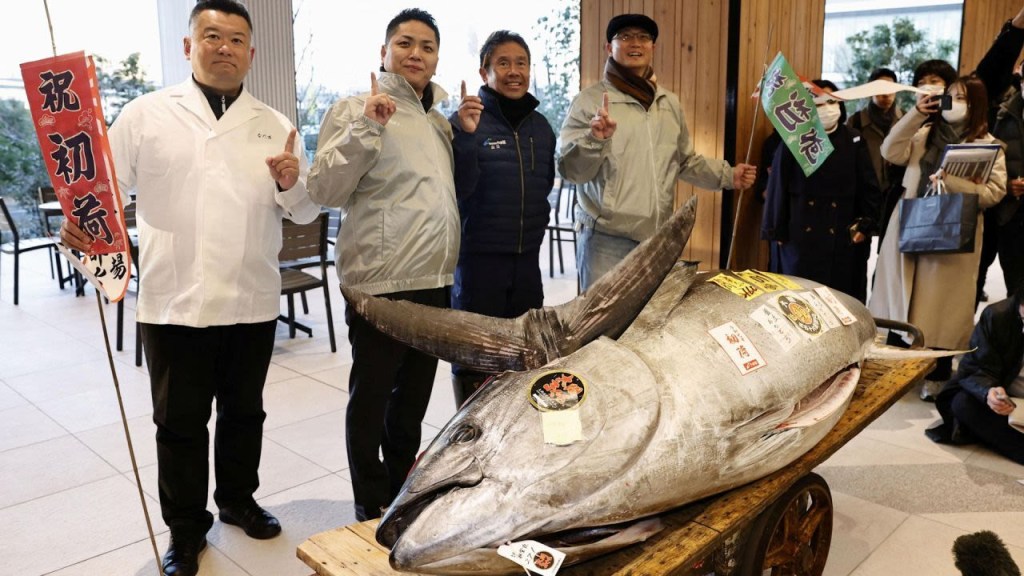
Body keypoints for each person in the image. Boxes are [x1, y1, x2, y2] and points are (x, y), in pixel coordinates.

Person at [60, 1, 320, 575]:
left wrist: (294, 181)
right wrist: (81, 223)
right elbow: (106, 191)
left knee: (243, 412)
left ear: (252, 52)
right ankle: (184, 528)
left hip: (250, 297)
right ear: (188, 46)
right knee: (178, 423)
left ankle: (237, 500)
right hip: (172, 300)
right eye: (211, 35)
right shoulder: (146, 115)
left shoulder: (274, 124)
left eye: (236, 39)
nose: (224, 47)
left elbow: (302, 209)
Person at [307, 9, 460, 522]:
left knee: (413, 397)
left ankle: (400, 484)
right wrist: (369, 126)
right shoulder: (356, 108)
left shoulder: (438, 121)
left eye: (427, 47)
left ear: (437, 57)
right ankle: (368, 495)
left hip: (435, 279)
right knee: (371, 395)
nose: (416, 54)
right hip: (379, 281)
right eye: (405, 43)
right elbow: (324, 189)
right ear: (384, 52)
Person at [558, 13, 756, 291]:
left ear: (653, 47)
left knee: (650, 325)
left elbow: (685, 161)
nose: (635, 43)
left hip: (657, 241)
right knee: (600, 328)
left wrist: (729, 176)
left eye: (643, 37)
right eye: (625, 37)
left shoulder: (668, 103)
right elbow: (570, 170)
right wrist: (594, 139)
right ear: (609, 47)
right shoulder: (589, 101)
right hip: (606, 241)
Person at [871, 74, 1007, 401]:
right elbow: (890, 151)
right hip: (911, 221)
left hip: (953, 231)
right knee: (902, 301)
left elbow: (994, 193)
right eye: (950, 97)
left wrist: (955, 182)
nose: (953, 104)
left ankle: (938, 372)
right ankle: (894, 372)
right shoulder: (924, 134)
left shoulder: (989, 146)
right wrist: (917, 113)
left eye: (962, 99)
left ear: (975, 106)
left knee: (941, 308)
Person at [447, 30, 556, 407]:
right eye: (503, 63)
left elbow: (546, 183)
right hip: (480, 265)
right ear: (484, 72)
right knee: (475, 358)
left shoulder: (541, 127)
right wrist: (464, 136)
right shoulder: (467, 122)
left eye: (521, 63)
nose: (514, 72)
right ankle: (472, 435)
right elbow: (457, 190)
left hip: (527, 262)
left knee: (528, 354)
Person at [761, 80, 881, 303]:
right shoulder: (791, 141)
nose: (827, 107)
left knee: (840, 299)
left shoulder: (853, 139)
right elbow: (777, 188)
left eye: (832, 101)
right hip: (799, 233)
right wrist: (775, 231)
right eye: (819, 103)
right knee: (797, 299)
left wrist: (865, 224)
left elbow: (869, 188)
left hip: (842, 232)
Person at [924, 284, 1024, 466]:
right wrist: (989, 392)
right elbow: (975, 368)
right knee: (963, 404)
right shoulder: (999, 316)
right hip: (1010, 401)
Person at [975, 6, 1024, 305]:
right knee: (968, 284)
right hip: (986, 208)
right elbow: (993, 66)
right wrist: (1018, 25)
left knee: (1019, 293)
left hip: (1019, 217)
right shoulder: (998, 99)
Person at [846, 67, 903, 244]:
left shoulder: (906, 121)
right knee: (859, 249)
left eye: (891, 89)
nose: (886, 94)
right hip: (863, 196)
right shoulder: (856, 122)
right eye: (880, 89)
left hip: (895, 194)